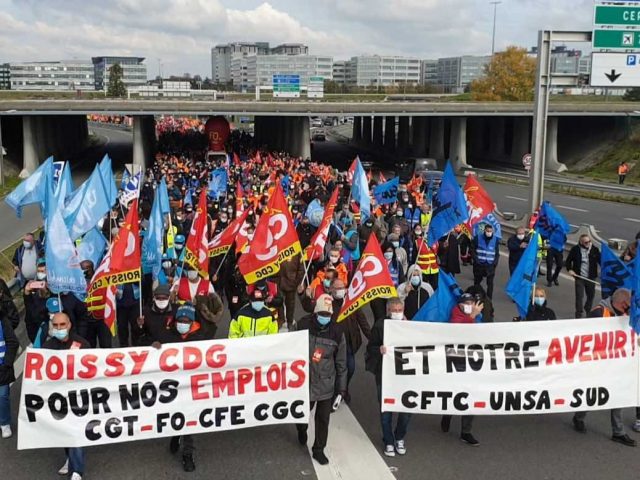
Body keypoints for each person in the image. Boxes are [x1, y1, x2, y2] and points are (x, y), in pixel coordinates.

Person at [572, 288, 635, 447]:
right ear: (621, 304)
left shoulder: (625, 316)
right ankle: (579, 417)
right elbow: (585, 338)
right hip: (597, 363)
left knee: (617, 396)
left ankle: (618, 432)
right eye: (628, 306)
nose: (630, 309)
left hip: (616, 363)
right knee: (592, 394)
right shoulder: (598, 313)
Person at [152, 304, 211, 472]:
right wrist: (153, 346)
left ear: (192, 322)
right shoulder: (166, 335)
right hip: (172, 387)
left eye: (186, 321)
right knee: (176, 415)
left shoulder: (200, 339)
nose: (182, 323)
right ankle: (176, 433)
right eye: (180, 320)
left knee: (189, 419)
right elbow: (149, 352)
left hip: (192, 387)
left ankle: (188, 454)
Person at [296, 294, 347, 465]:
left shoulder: (337, 331)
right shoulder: (303, 325)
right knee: (302, 414)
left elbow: (341, 363)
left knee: (323, 419)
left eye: (328, 315)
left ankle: (319, 449)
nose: (325, 318)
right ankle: (301, 429)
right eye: (322, 314)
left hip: (326, 383)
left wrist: (341, 390)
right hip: (305, 380)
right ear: (316, 312)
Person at [45, 312, 90, 480]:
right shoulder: (47, 348)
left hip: (78, 397)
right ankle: (70, 459)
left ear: (69, 325)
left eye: (62, 325)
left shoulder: (82, 344)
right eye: (55, 326)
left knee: (74, 431)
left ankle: (77, 470)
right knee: (64, 430)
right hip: (58, 399)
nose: (59, 328)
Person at [365, 298, 412, 457]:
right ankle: (388, 440)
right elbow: (370, 348)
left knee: (406, 409)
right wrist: (379, 349)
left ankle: (399, 437)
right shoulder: (379, 326)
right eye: (394, 310)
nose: (397, 313)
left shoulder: (410, 327)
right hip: (384, 374)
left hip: (405, 375)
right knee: (386, 409)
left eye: (399, 310)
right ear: (388, 311)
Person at [442, 293, 483, 446]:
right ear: (459, 304)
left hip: (473, 362)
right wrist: (472, 316)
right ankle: (447, 414)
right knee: (455, 393)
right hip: (455, 362)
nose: (469, 305)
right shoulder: (456, 315)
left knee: (471, 395)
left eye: (471, 302)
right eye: (466, 302)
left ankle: (466, 431)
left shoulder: (477, 315)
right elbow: (458, 332)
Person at [331, 279, 370, 403]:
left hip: (349, 343)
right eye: (337, 288)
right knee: (337, 369)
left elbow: (362, 321)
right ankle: (338, 392)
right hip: (334, 344)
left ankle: (343, 389)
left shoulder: (351, 302)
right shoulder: (328, 303)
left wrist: (373, 338)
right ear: (331, 289)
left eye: (342, 287)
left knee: (351, 368)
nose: (340, 290)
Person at [565, 234, 601, 318]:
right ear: (581, 242)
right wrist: (570, 269)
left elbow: (601, 261)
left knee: (591, 295)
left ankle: (588, 308)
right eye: (585, 242)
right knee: (579, 296)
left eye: (589, 241)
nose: (588, 243)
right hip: (579, 276)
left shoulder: (594, 250)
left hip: (591, 277)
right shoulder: (575, 249)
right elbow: (568, 261)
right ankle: (578, 314)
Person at [0, 305, 18, 439]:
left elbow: (12, 342)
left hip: (2, 368)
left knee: (2, 397)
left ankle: (4, 423)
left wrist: (6, 363)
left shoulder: (3, 320)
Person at [471, 224, 499, 299]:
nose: (489, 232)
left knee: (490, 284)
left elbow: (497, 253)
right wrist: (476, 260)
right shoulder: (477, 238)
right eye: (488, 231)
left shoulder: (495, 239)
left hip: (490, 265)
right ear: (484, 231)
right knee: (477, 282)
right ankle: (476, 295)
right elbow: (472, 250)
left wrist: (494, 263)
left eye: (490, 231)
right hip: (479, 264)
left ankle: (489, 298)